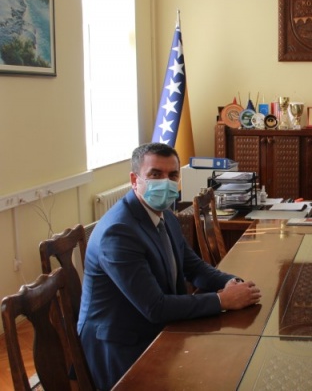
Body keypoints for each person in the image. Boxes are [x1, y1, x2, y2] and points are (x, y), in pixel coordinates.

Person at [77, 142, 262, 390]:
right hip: (121, 347)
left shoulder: (165, 215)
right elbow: (155, 307)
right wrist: (222, 300)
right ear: (134, 180)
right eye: (155, 174)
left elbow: (194, 267)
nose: (165, 182)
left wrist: (231, 283)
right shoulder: (118, 233)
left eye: (172, 175)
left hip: (159, 328)